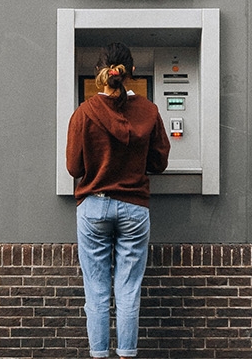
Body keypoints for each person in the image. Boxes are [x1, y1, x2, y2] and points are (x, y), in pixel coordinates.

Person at [65, 42, 170, 359]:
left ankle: (98, 355)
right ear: (131, 73)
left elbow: (74, 167)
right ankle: (126, 355)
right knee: (128, 290)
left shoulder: (84, 113)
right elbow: (159, 162)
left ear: (99, 72)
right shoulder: (150, 111)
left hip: (95, 205)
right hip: (134, 208)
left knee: (96, 291)